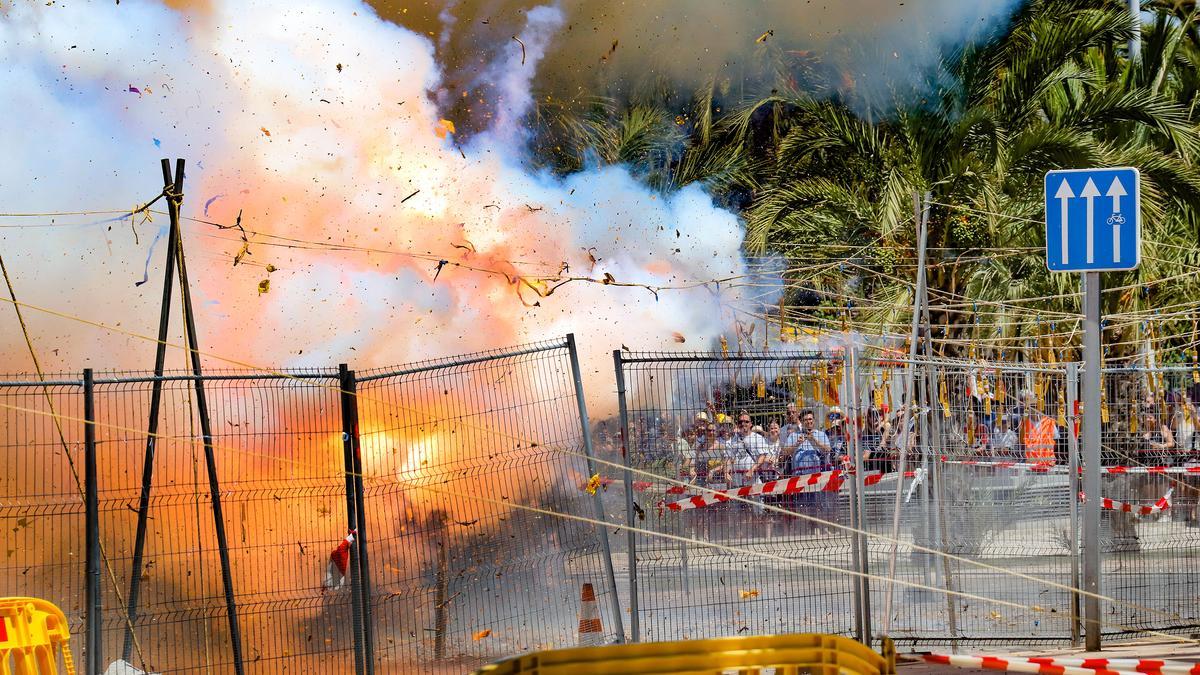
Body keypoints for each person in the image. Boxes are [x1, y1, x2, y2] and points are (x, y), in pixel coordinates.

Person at [1019, 392, 1058, 467]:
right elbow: (1021, 442)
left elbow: (1056, 442)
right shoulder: (1024, 422)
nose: (1034, 409)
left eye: (1037, 406)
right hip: (1031, 464)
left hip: (1048, 463)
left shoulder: (1049, 422)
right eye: (1032, 406)